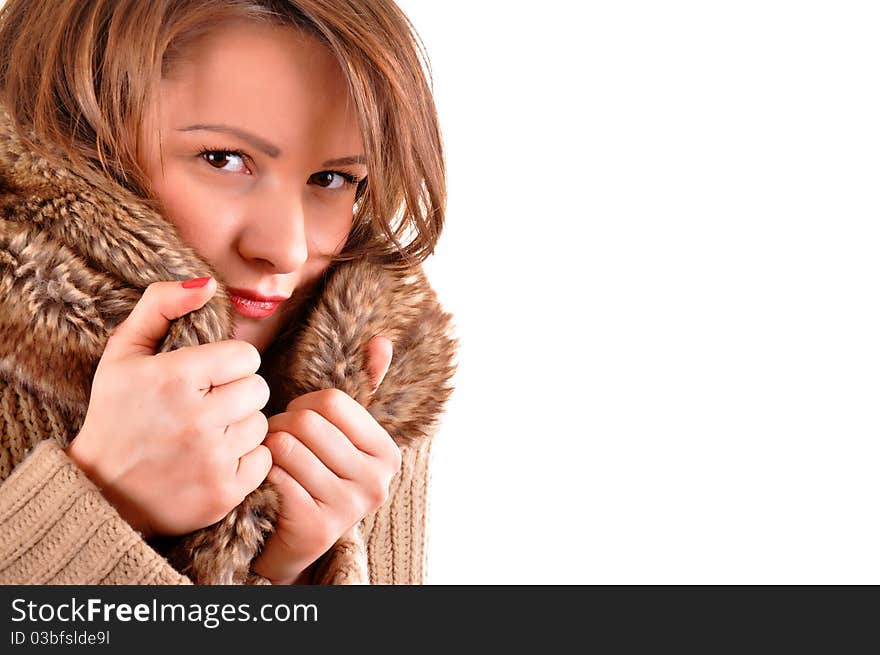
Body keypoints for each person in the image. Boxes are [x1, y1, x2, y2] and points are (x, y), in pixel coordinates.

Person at [0, 0, 456, 585]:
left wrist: (290, 574)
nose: (286, 249)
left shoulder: (368, 382)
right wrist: (102, 505)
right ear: (72, 144)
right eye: (224, 159)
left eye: (333, 179)